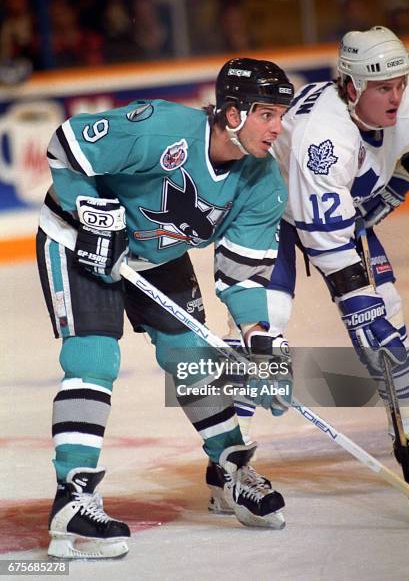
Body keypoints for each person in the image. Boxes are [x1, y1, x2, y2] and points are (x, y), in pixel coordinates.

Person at [36, 57, 295, 559]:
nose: (277, 127)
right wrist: (93, 210)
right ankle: (73, 495)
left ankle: (230, 471)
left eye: (280, 115)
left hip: (157, 253)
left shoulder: (263, 181)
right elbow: (65, 145)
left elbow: (240, 276)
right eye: (267, 114)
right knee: (93, 359)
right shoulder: (161, 127)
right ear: (234, 113)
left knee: (193, 357)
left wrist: (261, 339)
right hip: (80, 240)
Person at [223, 27, 409, 491]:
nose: (396, 97)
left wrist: (400, 182)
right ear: (351, 87)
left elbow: (353, 214)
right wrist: (358, 304)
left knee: (389, 312)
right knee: (263, 326)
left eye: (400, 84)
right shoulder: (322, 139)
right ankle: (227, 459)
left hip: (332, 210)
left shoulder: (400, 107)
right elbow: (327, 240)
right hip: (268, 207)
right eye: (382, 88)